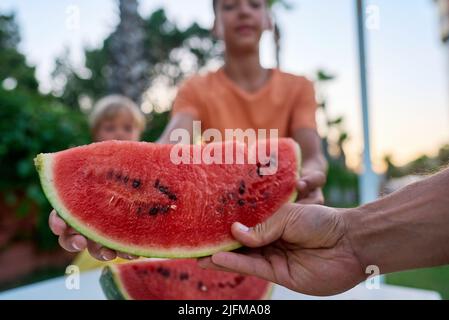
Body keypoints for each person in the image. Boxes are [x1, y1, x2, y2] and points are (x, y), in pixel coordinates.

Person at [49, 0, 327, 261]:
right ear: (215, 25)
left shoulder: (299, 87)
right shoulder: (197, 88)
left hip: (280, 222)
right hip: (218, 221)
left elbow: (311, 155)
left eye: (255, 4)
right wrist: (95, 188)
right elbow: (168, 146)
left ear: (268, 19)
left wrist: (308, 180)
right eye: (229, 6)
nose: (243, 11)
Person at [198, 168, 449, 296]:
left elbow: (312, 157)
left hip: (283, 246)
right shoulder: (198, 90)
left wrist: (303, 179)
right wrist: (349, 238)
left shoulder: (293, 86)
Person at [50, 95, 145, 263]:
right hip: (97, 250)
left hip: (139, 246)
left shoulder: (146, 168)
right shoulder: (88, 169)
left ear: (139, 132)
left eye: (128, 128)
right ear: (95, 133)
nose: (120, 133)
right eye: (109, 128)